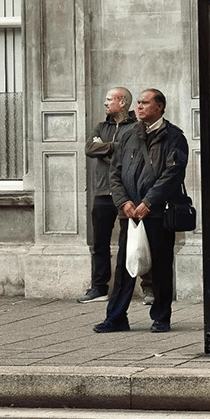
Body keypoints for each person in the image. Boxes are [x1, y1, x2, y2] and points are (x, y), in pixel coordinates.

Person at [93, 89, 189, 334]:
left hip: (157, 213)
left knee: (161, 266)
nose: (139, 107)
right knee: (125, 266)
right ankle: (115, 318)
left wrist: (148, 202)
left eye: (145, 103)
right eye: (138, 103)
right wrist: (124, 202)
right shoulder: (128, 134)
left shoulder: (174, 136)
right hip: (131, 213)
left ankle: (161, 317)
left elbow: (173, 174)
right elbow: (115, 172)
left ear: (159, 107)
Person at [79, 87, 146, 304]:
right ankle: (99, 288)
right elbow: (89, 148)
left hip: (127, 193)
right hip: (102, 192)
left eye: (110, 99)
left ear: (123, 102)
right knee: (100, 242)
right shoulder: (101, 126)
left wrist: (106, 149)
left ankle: (148, 289)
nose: (105, 103)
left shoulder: (136, 127)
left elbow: (133, 154)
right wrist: (117, 148)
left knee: (136, 240)